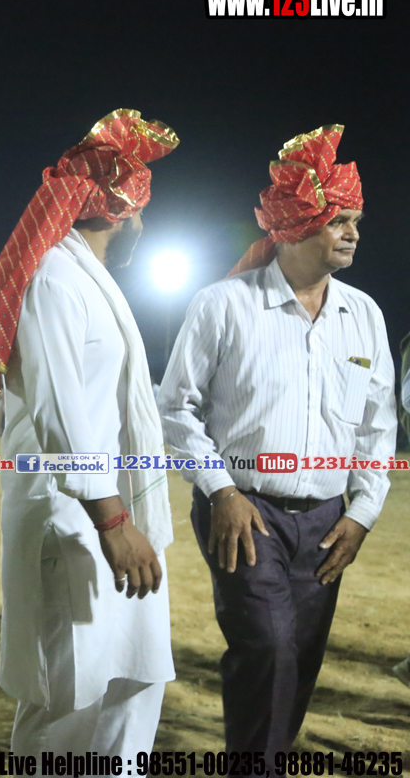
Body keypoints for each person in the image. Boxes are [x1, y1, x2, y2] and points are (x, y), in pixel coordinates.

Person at [157, 125, 395, 761]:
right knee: (266, 648)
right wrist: (221, 491)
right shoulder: (223, 305)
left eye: (355, 221)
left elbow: (377, 428)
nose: (352, 233)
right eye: (338, 220)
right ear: (295, 225)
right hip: (245, 511)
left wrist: (362, 513)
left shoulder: (364, 316)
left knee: (300, 660)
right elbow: (175, 408)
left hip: (326, 523)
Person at [0, 110, 179, 756]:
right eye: (141, 209)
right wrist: (112, 520)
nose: (143, 223)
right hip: (78, 520)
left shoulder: (90, 280)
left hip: (114, 519)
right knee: (66, 702)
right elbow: (60, 412)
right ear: (121, 209)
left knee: (133, 686)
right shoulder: (56, 278)